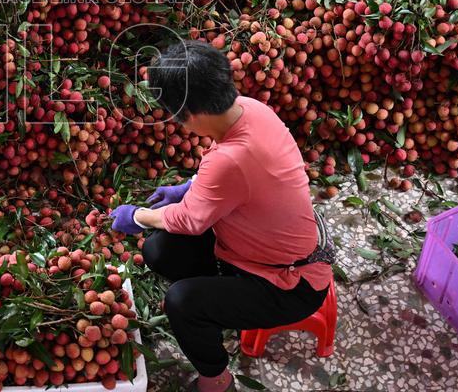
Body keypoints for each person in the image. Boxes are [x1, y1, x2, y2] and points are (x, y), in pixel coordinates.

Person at [111, 40, 333, 392]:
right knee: (160, 250)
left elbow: (191, 220)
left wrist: (137, 216)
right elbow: (229, 182)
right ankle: (214, 306)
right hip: (255, 247)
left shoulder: (230, 159)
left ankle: (217, 378)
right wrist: (188, 187)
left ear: (192, 116)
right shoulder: (250, 109)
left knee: (181, 302)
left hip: (288, 282)